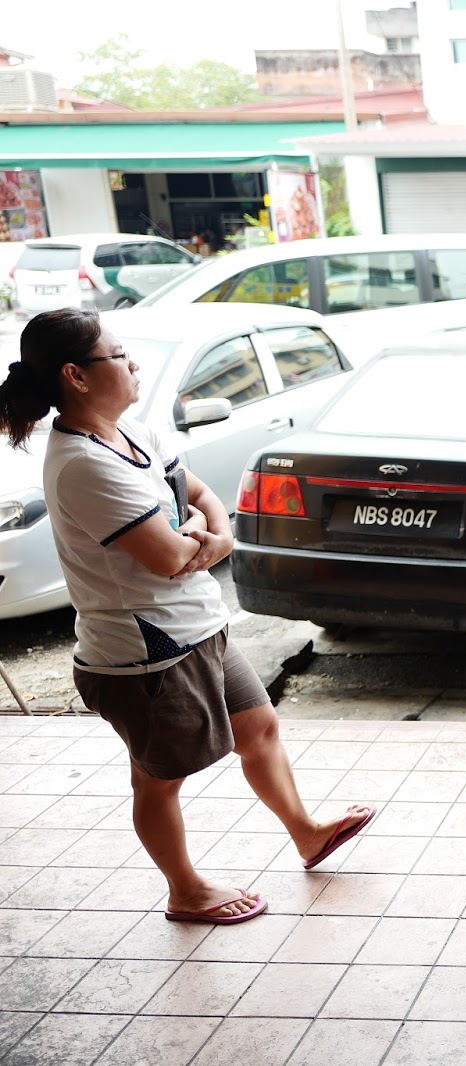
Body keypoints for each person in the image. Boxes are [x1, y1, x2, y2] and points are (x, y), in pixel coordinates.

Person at [0, 309, 376, 926]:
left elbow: (200, 498)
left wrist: (212, 537)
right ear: (77, 376)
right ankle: (185, 889)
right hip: (145, 653)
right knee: (158, 780)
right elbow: (170, 556)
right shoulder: (82, 464)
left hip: (199, 624)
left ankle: (307, 833)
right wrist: (206, 539)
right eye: (117, 355)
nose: (133, 364)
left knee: (259, 730)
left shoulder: (133, 431)